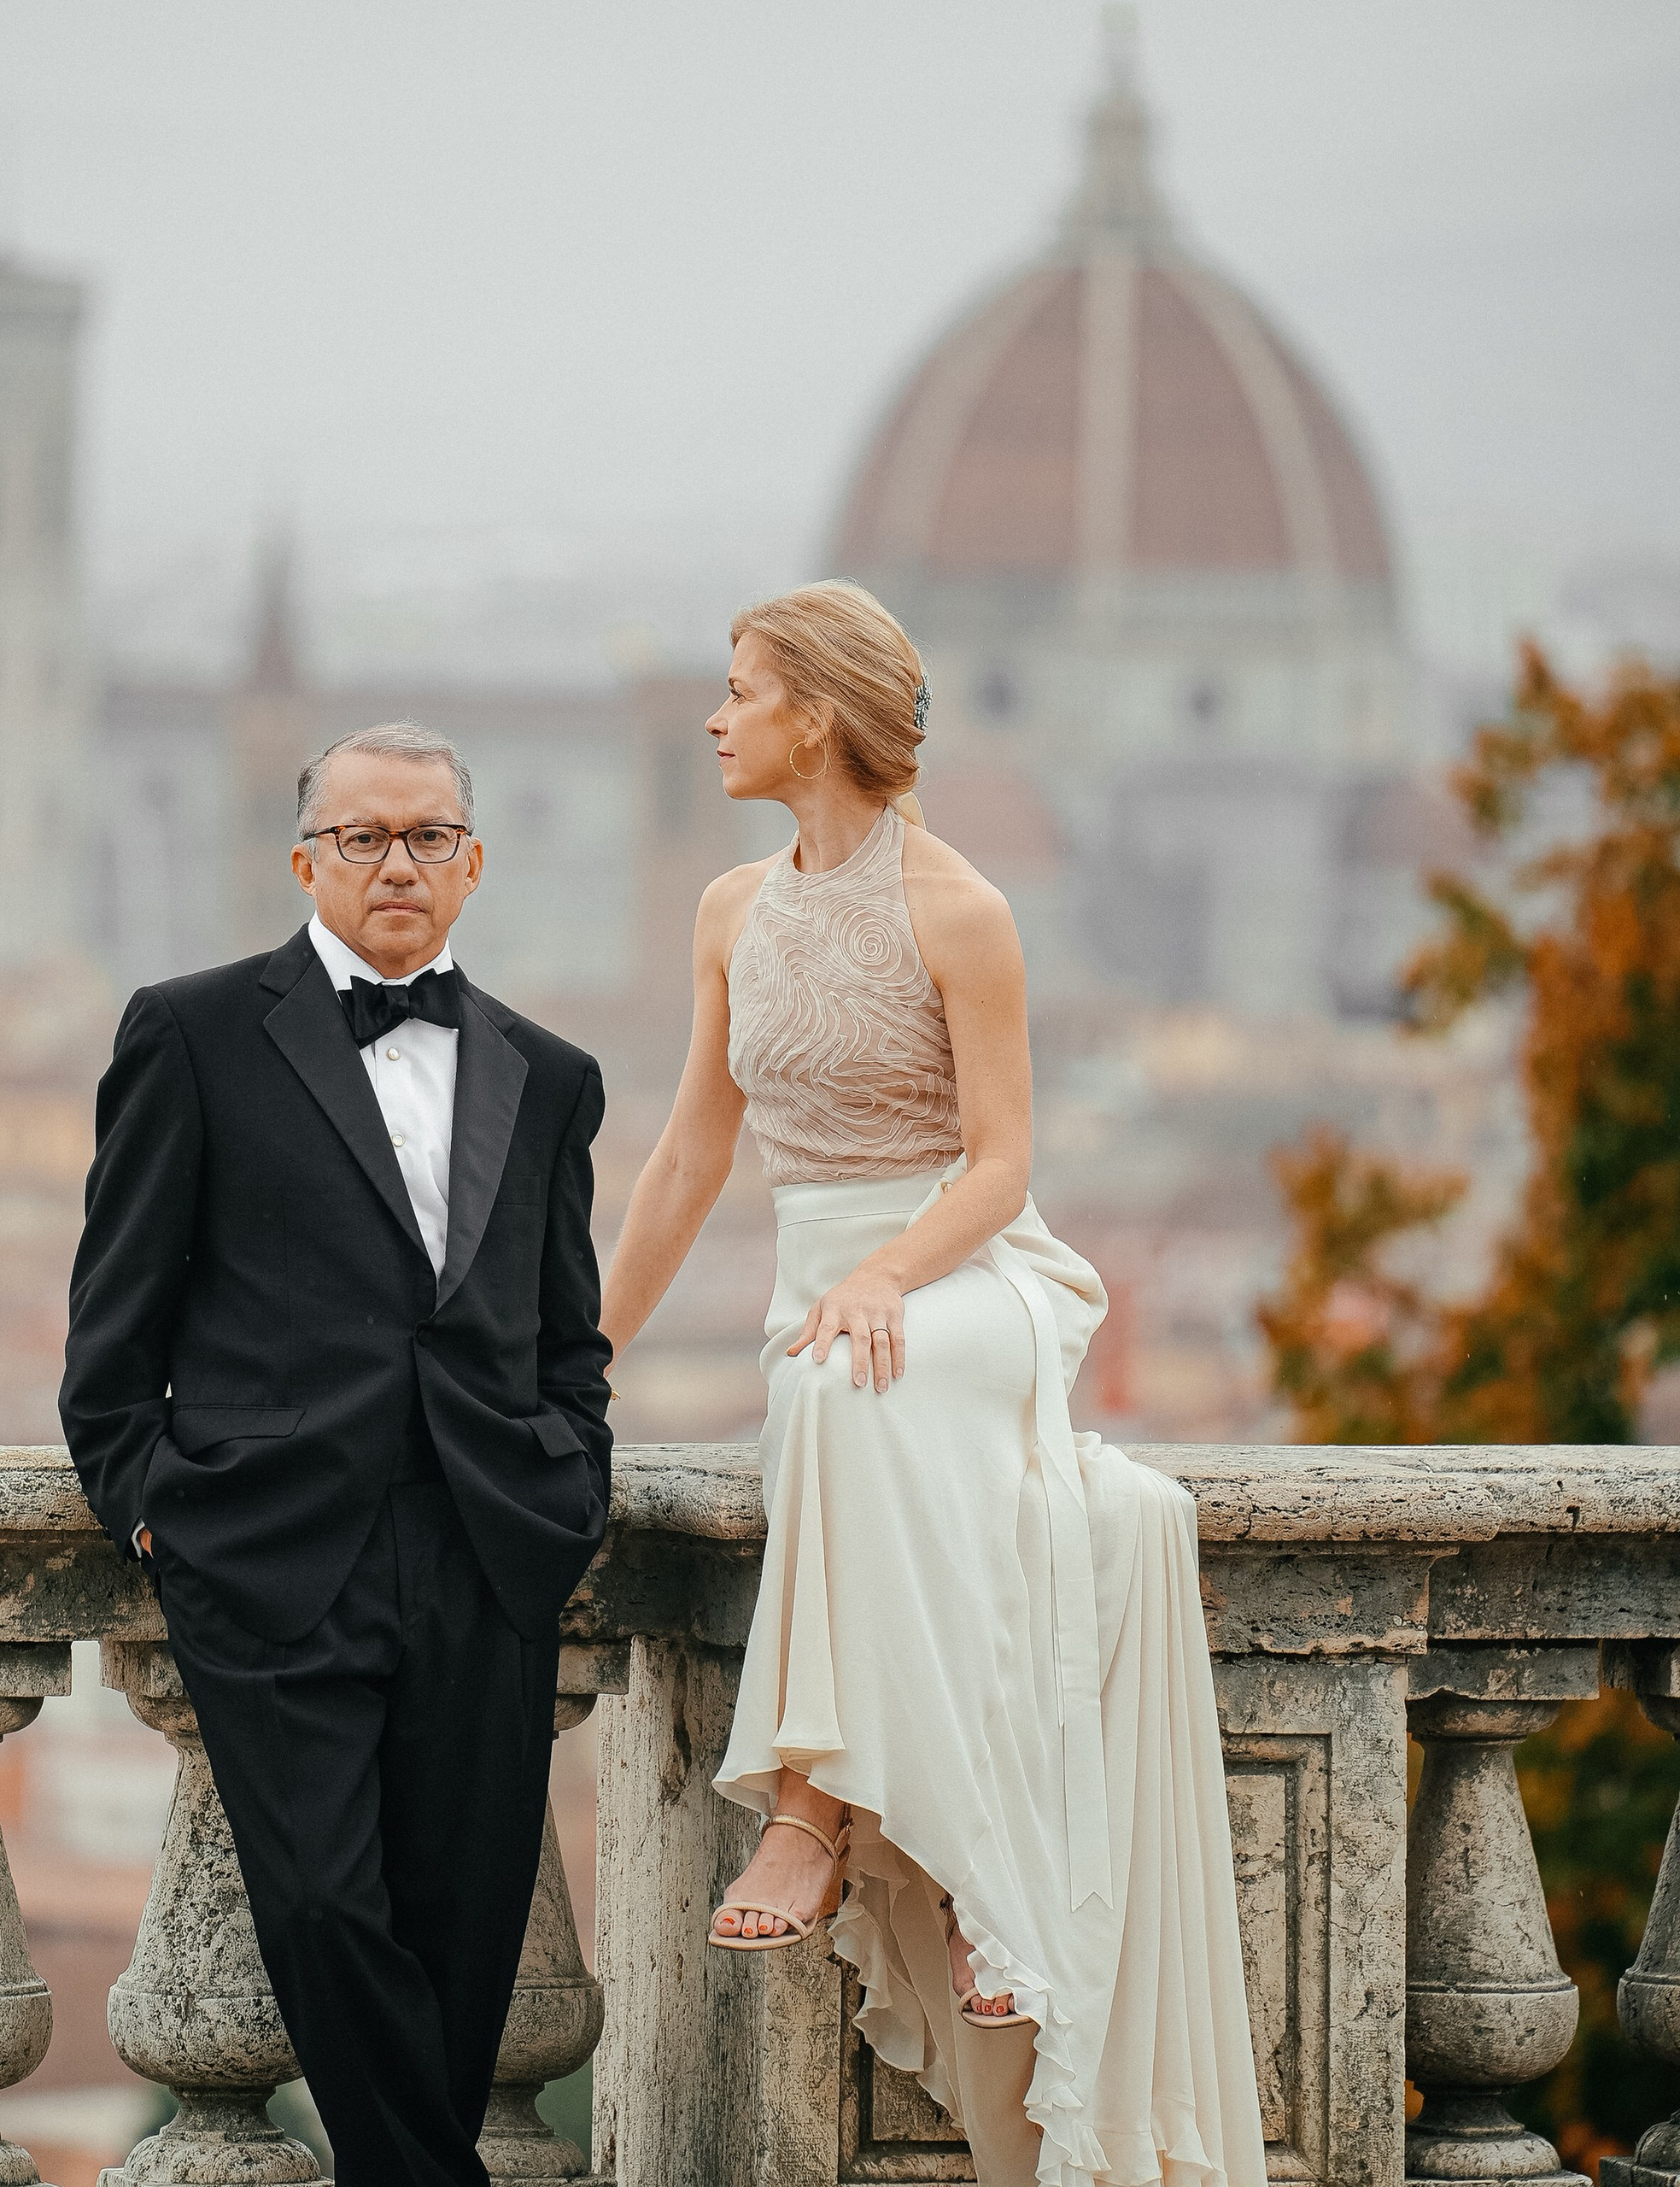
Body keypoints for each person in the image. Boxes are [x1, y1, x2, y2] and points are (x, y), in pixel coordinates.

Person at [599, 584, 1264, 2187]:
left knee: (839, 1387)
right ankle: (959, 1862)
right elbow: (694, 1153)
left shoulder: (963, 909)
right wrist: (577, 1352)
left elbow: (1005, 1160)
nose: (715, 716)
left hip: (973, 1277)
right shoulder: (727, 910)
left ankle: (819, 1818)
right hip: (826, 1290)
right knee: (833, 1380)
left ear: (813, 717)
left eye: (740, 689)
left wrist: (892, 1272)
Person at [60, 723, 612, 2187]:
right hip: (269, 1556)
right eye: (362, 837)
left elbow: (570, 1339)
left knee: (467, 1928)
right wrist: (159, 1517)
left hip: (487, 1548)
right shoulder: (187, 1032)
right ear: (305, 859)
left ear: (474, 863)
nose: (396, 864)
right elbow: (112, 1339)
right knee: (317, 1908)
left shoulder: (551, 1076)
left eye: (428, 835)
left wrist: (566, 1487)